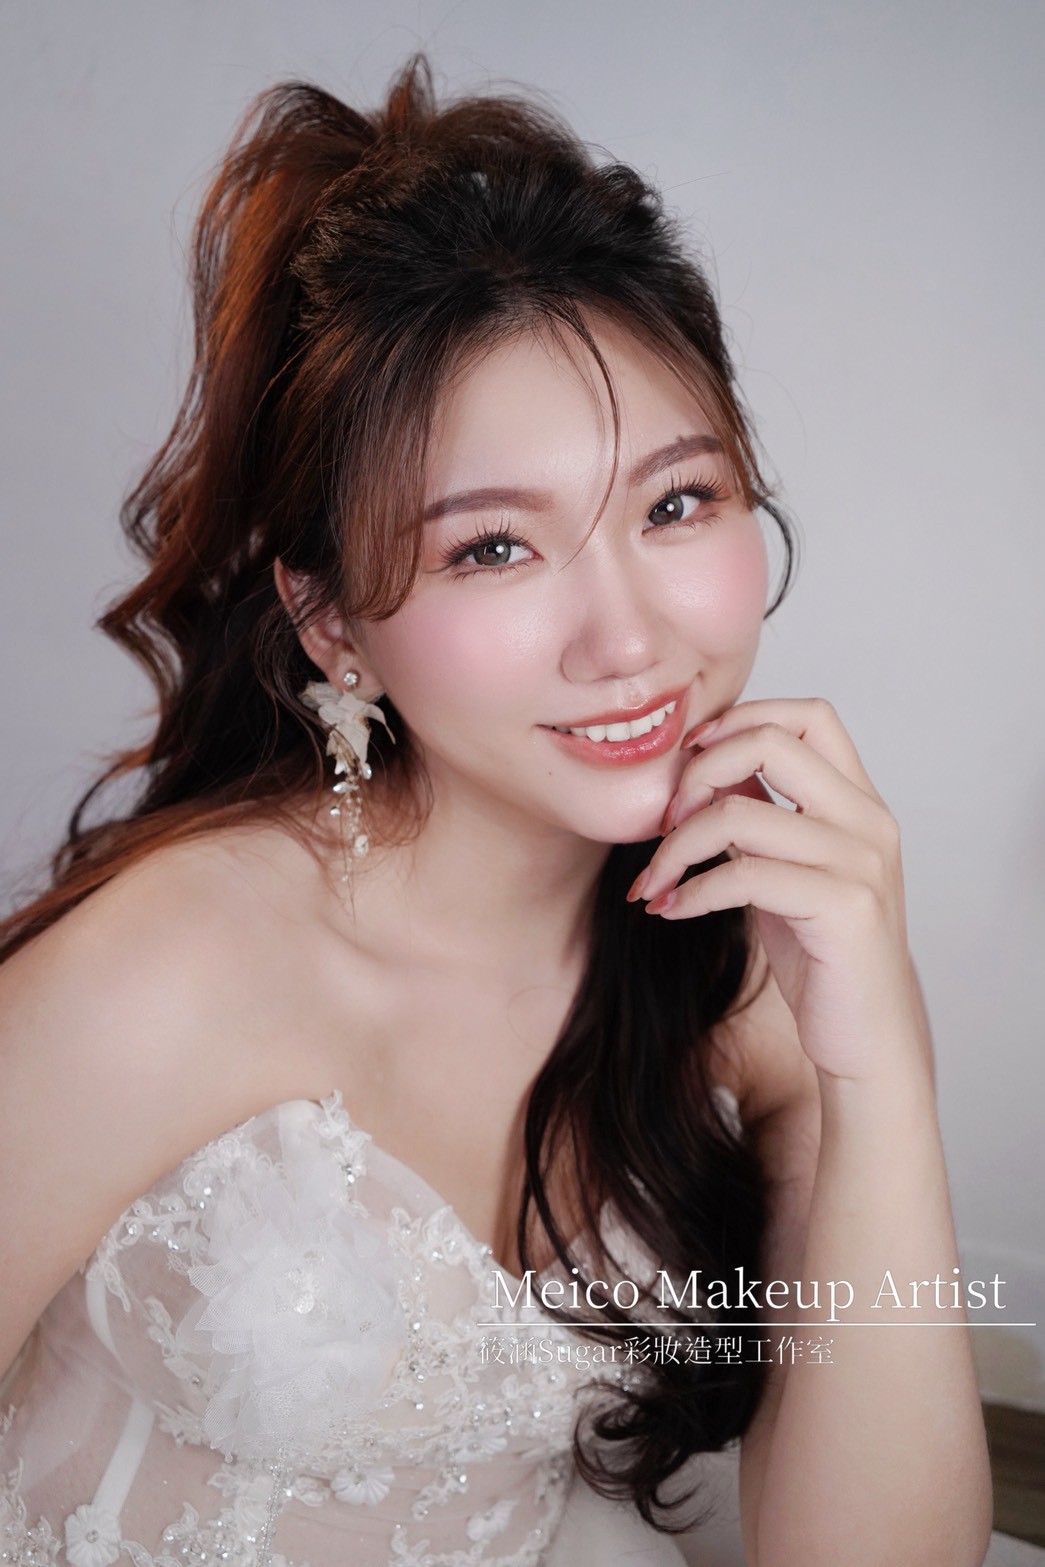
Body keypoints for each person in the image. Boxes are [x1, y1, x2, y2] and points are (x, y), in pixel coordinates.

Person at [0, 55, 992, 1567]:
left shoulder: (752, 953)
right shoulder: (164, 972)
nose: (629, 641)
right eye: (491, 551)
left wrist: (878, 1069)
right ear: (331, 622)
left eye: (675, 504)